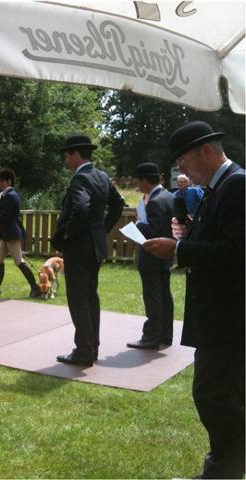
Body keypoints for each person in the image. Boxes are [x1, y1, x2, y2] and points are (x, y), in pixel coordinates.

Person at [143, 121, 244, 479]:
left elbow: (236, 253)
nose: (181, 171)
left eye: (183, 162)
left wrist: (179, 249)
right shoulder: (220, 187)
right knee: (224, 396)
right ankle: (224, 467)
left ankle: (224, 470)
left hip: (229, 318)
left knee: (212, 396)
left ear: (206, 151)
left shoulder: (237, 185)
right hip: (221, 317)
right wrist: (186, 237)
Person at [51, 135, 124, 367]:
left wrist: (67, 233)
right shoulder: (102, 176)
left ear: (76, 154)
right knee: (91, 296)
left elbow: (81, 207)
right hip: (95, 247)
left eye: (67, 155)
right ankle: (92, 348)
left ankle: (83, 351)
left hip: (79, 246)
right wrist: (101, 230)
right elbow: (118, 204)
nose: (65, 160)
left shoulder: (80, 178)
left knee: (78, 299)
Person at [126, 163, 174, 350]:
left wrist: (138, 224)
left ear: (145, 180)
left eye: (138, 181)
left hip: (152, 255)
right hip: (165, 255)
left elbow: (153, 230)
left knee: (152, 297)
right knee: (164, 296)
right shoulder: (168, 196)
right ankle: (165, 335)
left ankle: (150, 337)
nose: (137, 185)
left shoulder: (154, 201)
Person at [0, 168, 40, 298]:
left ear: (9, 181)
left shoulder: (10, 196)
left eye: (2, 181)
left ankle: (35, 287)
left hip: (12, 233)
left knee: (18, 261)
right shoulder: (6, 195)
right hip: (6, 233)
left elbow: (6, 216)